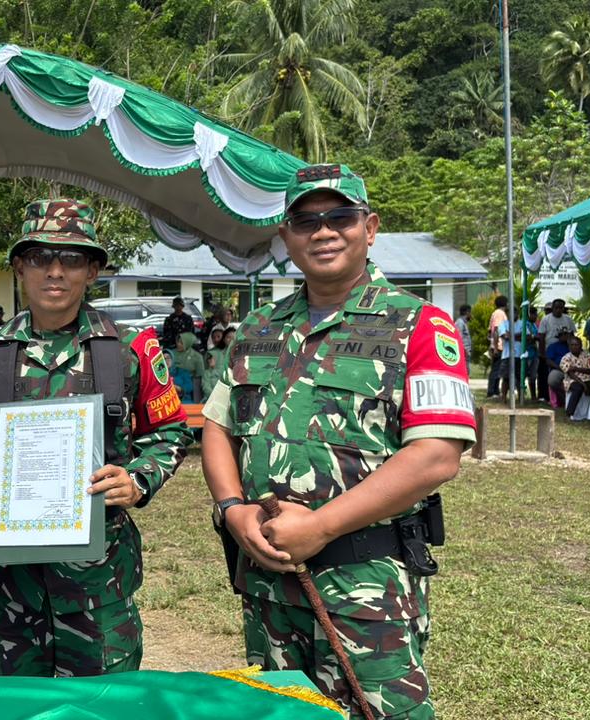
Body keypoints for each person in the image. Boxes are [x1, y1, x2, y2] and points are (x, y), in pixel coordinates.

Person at [201, 164, 474, 718]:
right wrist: (232, 509)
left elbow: (436, 455)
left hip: (366, 587)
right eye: (305, 222)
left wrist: (321, 526)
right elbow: (218, 426)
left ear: (369, 228)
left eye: (340, 217)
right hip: (268, 584)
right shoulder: (257, 328)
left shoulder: (420, 325)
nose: (323, 232)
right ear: (286, 238)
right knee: (279, 712)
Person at [0, 198, 192, 677]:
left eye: (72, 258)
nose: (55, 271)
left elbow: (169, 431)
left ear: (93, 271)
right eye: (40, 257)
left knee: (103, 707)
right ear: (20, 267)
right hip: (12, 594)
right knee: (14, 709)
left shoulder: (129, 350)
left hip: (100, 591)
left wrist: (137, 479)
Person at [498, 304, 538, 401]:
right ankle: (504, 397)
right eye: (510, 312)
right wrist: (519, 336)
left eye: (514, 312)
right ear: (507, 313)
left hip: (520, 355)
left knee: (520, 377)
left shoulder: (522, 324)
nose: (513, 314)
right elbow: (505, 336)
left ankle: (521, 397)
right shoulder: (503, 324)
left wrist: (511, 335)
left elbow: (528, 337)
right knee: (506, 378)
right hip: (507, 355)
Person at [559, 336, 590, 417]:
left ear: (581, 345)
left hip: (588, 378)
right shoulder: (566, 358)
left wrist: (576, 368)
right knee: (578, 388)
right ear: (569, 346)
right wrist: (583, 384)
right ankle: (569, 413)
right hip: (572, 380)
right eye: (572, 345)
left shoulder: (588, 356)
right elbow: (571, 374)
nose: (574, 347)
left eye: (576, 344)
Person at [171, 331, 205, 401]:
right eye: (178, 341)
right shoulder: (171, 353)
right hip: (171, 382)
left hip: (189, 385)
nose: (178, 344)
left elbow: (200, 375)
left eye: (181, 343)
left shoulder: (197, 357)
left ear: (188, 343)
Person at [486, 295, 508, 398]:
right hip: (498, 345)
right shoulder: (500, 313)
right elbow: (496, 330)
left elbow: (489, 331)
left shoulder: (496, 313)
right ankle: (492, 391)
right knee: (496, 369)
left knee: (498, 369)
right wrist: (495, 347)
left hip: (497, 345)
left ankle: (495, 391)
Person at [545, 330, 572, 408]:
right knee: (552, 380)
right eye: (563, 335)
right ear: (559, 336)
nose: (565, 336)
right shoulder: (553, 346)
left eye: (566, 334)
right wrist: (560, 368)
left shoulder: (573, 345)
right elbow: (548, 361)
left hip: (573, 369)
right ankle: (563, 399)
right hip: (558, 369)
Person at [202, 326, 229, 402]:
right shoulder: (210, 353)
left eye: (218, 336)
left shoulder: (230, 352)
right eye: (213, 337)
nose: (216, 339)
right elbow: (206, 385)